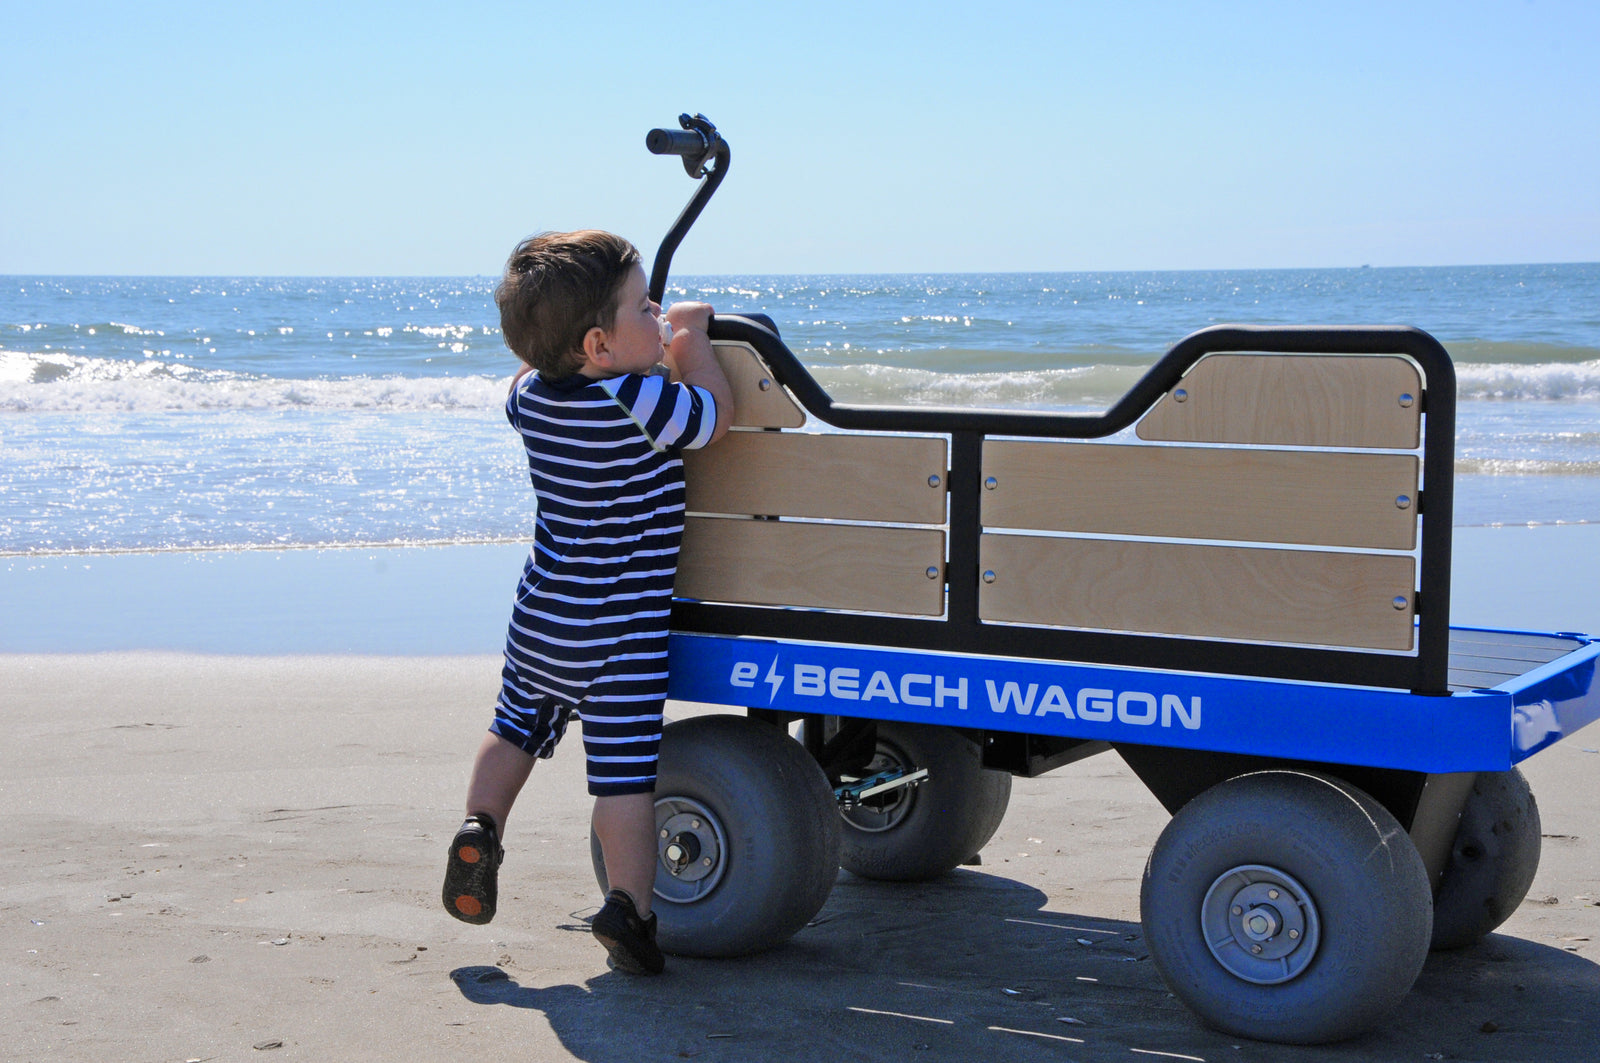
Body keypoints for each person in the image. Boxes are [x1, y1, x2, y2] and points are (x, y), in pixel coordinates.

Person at [442, 230, 733, 975]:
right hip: (619, 641)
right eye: (645, 307)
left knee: (513, 730)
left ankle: (481, 825)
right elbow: (710, 415)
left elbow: (526, 372)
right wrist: (692, 340)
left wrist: (555, 339)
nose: (660, 312)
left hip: (541, 622)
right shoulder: (639, 398)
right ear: (599, 346)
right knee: (623, 780)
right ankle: (629, 908)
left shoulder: (532, 398)